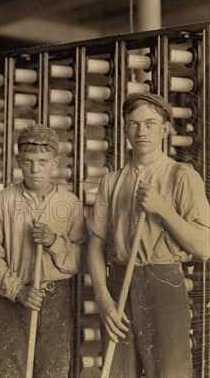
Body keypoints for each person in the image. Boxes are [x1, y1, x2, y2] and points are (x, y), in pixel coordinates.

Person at [88, 92, 210, 377]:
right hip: (118, 285)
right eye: (133, 124)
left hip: (164, 284)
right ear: (125, 129)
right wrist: (103, 298)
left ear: (165, 129)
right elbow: (95, 243)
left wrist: (163, 210)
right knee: (117, 371)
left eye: (150, 123)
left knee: (169, 373)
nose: (141, 131)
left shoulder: (183, 176)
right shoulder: (112, 181)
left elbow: (205, 248)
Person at [0, 124, 87, 377]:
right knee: (11, 370)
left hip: (57, 299)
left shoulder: (69, 203)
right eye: (28, 161)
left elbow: (80, 261)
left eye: (43, 161)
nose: (35, 169)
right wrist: (18, 291)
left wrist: (54, 242)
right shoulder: (5, 200)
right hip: (13, 297)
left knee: (53, 371)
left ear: (56, 162)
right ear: (18, 160)